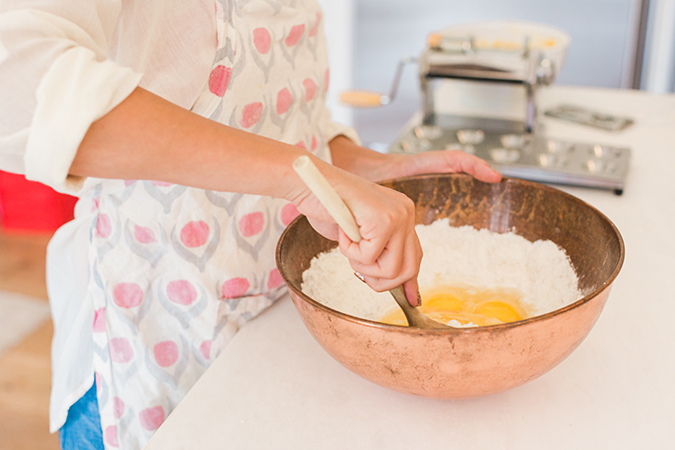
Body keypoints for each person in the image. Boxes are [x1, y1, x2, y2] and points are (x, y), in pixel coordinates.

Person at [0, 1, 501, 448]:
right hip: (151, 342)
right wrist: (303, 180)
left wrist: (351, 166)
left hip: (268, 328)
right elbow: (16, 77)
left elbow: (277, 117)